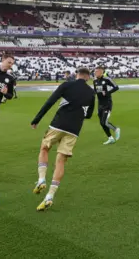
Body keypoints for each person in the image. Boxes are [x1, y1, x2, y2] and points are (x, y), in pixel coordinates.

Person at [30, 67, 96, 211]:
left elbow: (50, 102)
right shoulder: (91, 92)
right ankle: (50, 196)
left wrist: (37, 119)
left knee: (44, 148)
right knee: (61, 161)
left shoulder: (67, 85)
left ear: (77, 75)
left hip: (58, 124)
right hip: (74, 130)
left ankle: (41, 179)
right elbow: (89, 114)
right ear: (88, 77)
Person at [93, 66, 121, 144]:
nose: (95, 73)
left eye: (97, 71)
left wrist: (108, 92)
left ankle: (116, 129)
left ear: (101, 72)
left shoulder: (107, 79)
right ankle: (110, 138)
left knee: (104, 122)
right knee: (101, 123)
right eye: (95, 71)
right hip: (100, 104)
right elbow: (95, 91)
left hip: (107, 103)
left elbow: (116, 87)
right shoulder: (95, 81)